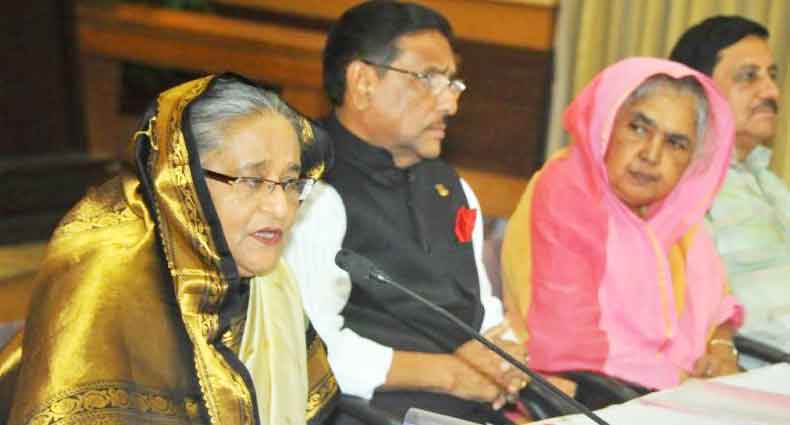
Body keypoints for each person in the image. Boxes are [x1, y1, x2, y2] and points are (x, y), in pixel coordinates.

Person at [0, 74, 337, 425]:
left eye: (290, 182)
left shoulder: (271, 282)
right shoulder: (107, 277)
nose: (281, 208)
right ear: (181, 177)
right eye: (252, 181)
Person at [283, 1, 542, 423]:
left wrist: (505, 354)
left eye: (453, 83)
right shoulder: (309, 188)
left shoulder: (452, 188)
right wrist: (449, 375)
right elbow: (307, 351)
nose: (450, 104)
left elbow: (482, 309)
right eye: (431, 80)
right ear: (364, 82)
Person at [501, 58, 744, 393]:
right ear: (606, 124)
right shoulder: (568, 191)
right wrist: (680, 386)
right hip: (580, 399)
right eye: (638, 128)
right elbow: (566, 347)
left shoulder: (676, 213)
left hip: (674, 399)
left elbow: (719, 306)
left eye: (675, 143)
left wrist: (721, 349)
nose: (651, 155)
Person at [670, 16, 789, 359]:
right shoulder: (686, 185)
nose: (771, 92)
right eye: (748, 77)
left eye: (772, 75)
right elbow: (701, 311)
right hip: (758, 369)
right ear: (699, 92)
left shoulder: (771, 184)